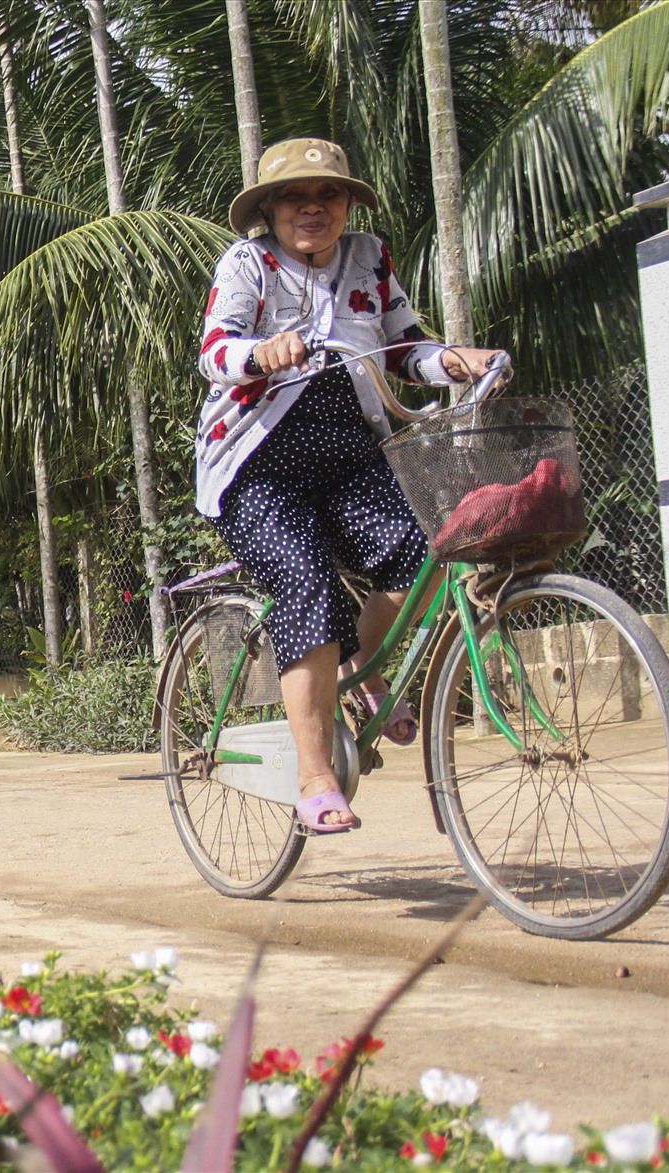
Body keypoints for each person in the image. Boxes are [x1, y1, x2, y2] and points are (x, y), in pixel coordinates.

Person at [194, 138, 509, 833]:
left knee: (426, 545)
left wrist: (456, 359)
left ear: (347, 203)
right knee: (305, 583)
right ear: (270, 209)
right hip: (257, 466)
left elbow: (404, 347)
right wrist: (263, 353)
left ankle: (360, 673)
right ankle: (315, 779)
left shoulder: (368, 257)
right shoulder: (248, 263)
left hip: (349, 456)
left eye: (329, 193)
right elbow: (215, 350)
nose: (314, 205)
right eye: (294, 195)